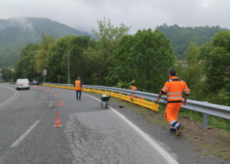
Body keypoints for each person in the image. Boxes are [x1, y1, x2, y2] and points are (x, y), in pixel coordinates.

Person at [156, 69, 190, 136]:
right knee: (174, 114)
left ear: (170, 75)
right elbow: (187, 92)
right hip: (179, 102)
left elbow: (162, 91)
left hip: (171, 102)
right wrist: (185, 100)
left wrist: (158, 98)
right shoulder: (183, 82)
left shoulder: (169, 82)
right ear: (176, 74)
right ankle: (173, 129)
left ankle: (177, 125)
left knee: (167, 114)